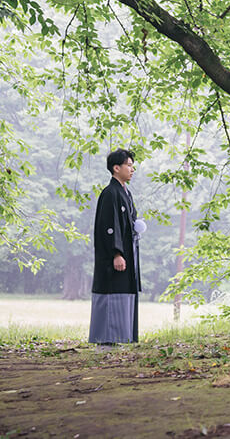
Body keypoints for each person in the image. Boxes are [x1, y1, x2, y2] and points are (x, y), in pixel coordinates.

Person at [89, 148, 145, 345]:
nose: (132, 169)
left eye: (132, 165)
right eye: (128, 165)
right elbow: (109, 226)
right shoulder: (110, 193)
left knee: (123, 292)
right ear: (116, 168)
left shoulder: (125, 193)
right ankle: (106, 341)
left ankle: (119, 337)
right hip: (115, 257)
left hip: (128, 253)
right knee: (111, 292)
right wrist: (117, 253)